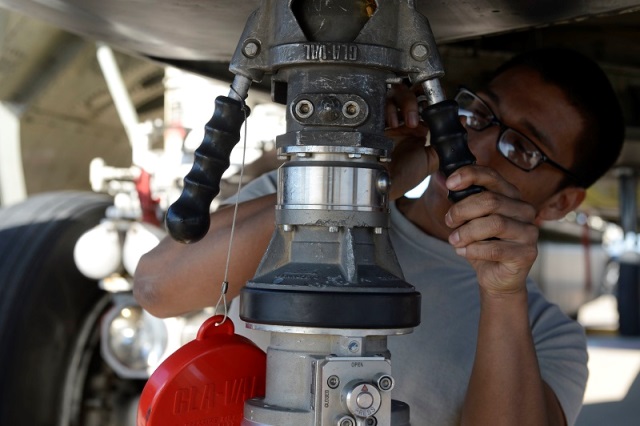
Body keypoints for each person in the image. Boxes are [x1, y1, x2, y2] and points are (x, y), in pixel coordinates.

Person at [134, 48, 625, 425]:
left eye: (520, 147)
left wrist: (502, 293)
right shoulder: (308, 196)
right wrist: (366, 184)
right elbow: (157, 288)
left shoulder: (545, 334)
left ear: (561, 203)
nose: (474, 146)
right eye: (479, 115)